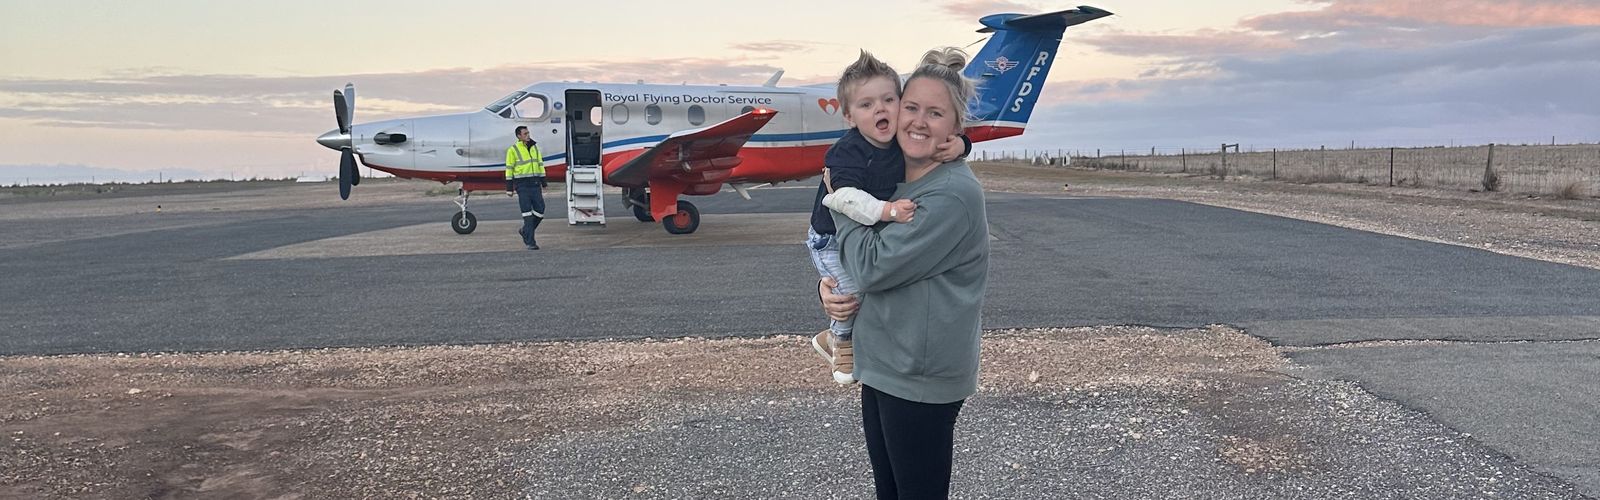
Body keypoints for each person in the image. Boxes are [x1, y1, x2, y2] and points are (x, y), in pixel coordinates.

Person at [822, 47, 988, 499]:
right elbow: (865, 269)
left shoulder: (950, 195)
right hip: (884, 362)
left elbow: (873, 267)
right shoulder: (897, 184)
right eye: (910, 107)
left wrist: (837, 200)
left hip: (919, 374)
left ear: (955, 128)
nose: (917, 120)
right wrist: (832, 286)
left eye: (935, 113)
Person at [807, 50, 970, 385]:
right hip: (828, 238)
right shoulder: (849, 152)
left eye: (889, 100)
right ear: (850, 117)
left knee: (853, 289)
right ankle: (841, 338)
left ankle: (838, 339)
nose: (881, 110)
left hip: (918, 367)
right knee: (846, 292)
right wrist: (887, 211)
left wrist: (962, 145)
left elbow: (875, 269)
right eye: (867, 105)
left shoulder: (949, 191)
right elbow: (846, 201)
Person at [505, 126, 547, 250]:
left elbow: (540, 164)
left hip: (535, 184)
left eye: (528, 133)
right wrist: (509, 187)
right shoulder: (512, 150)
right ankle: (530, 242)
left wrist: (543, 182)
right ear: (519, 136)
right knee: (527, 214)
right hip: (522, 185)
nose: (528, 135)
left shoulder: (535, 147)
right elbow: (509, 169)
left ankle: (525, 231)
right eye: (525, 133)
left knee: (540, 210)